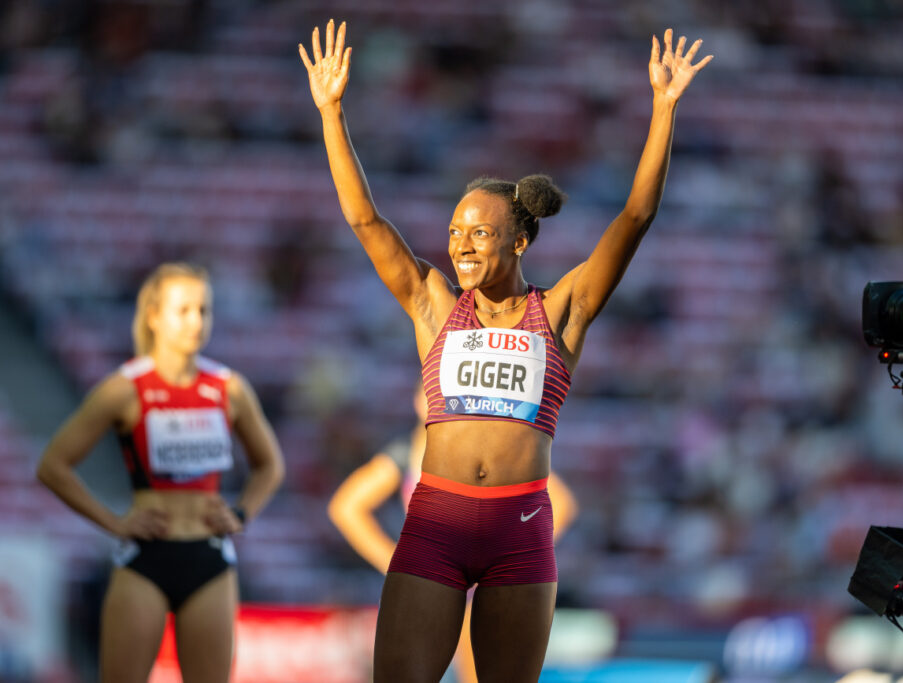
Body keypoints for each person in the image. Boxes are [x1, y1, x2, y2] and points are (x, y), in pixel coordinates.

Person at [300, 19, 711, 681]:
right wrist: (331, 111)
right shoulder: (434, 303)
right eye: (455, 229)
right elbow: (365, 221)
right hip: (434, 522)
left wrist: (663, 110)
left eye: (478, 232)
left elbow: (634, 218)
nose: (460, 243)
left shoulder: (563, 310)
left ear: (518, 241)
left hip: (521, 531)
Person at [36, 262, 285, 683]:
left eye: (203, 310)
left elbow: (271, 466)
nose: (196, 321)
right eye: (183, 310)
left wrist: (242, 514)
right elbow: (53, 466)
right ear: (154, 316)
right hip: (144, 558)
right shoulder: (125, 388)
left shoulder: (229, 388)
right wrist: (113, 522)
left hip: (209, 558)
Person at [327, 383, 578, 683]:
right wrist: (391, 560)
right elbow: (347, 507)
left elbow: (561, 502)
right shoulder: (407, 451)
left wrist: (514, 559)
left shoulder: (486, 445)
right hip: (437, 570)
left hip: (472, 577)